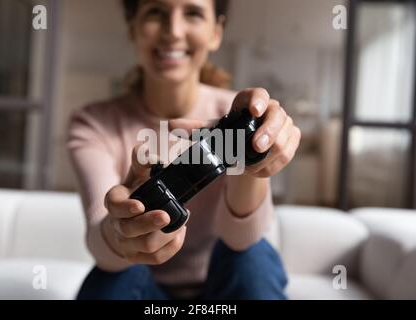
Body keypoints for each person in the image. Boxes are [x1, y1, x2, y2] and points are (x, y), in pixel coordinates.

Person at [67, 0, 301, 300]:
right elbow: (103, 248)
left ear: (216, 32)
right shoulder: (93, 124)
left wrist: (249, 154)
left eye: (192, 13)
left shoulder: (240, 114)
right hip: (139, 288)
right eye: (156, 12)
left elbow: (242, 240)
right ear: (132, 28)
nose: (173, 32)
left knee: (254, 261)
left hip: (225, 286)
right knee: (113, 278)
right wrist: (122, 230)